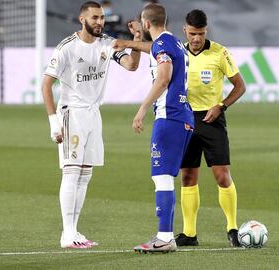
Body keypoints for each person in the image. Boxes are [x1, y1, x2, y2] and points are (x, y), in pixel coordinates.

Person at [41, 1, 141, 249]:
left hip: (94, 115)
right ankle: (67, 233)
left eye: (102, 18)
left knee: (85, 174)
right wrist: (54, 122)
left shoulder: (107, 43)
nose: (100, 22)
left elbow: (131, 65)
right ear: (82, 19)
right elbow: (46, 85)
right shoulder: (67, 47)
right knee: (71, 171)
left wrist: (136, 41)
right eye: (95, 17)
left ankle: (74, 231)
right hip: (71, 113)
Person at [113, 3, 194, 253]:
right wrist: (132, 42)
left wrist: (143, 108)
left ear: (147, 24)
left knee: (161, 177)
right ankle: (165, 235)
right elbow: (155, 49)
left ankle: (165, 237)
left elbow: (164, 77)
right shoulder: (174, 42)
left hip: (169, 117)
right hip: (182, 117)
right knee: (165, 176)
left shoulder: (163, 45)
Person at [174, 9, 246, 247]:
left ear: (206, 31)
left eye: (201, 33)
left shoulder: (219, 53)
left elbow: (239, 86)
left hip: (212, 120)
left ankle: (233, 229)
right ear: (185, 30)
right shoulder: (177, 53)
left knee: (222, 176)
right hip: (185, 120)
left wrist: (221, 106)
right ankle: (189, 234)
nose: (197, 38)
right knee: (187, 177)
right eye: (193, 33)